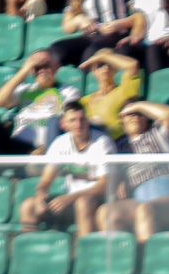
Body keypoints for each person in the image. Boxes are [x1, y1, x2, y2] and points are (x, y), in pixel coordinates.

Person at [103, 98, 169, 243]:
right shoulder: (118, 147)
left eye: (139, 113)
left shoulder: (158, 134)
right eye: (130, 114)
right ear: (122, 119)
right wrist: (121, 181)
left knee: (145, 210)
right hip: (140, 198)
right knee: (106, 212)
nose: (135, 117)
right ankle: (120, 262)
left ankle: (146, 261)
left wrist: (138, 105)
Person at [23, 100, 114, 236]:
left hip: (96, 199)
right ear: (64, 124)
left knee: (83, 203)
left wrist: (71, 198)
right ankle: (30, 251)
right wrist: (40, 195)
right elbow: (46, 179)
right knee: (28, 206)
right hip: (70, 199)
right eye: (73, 120)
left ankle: (84, 252)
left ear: (87, 121)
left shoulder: (102, 142)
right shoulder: (60, 143)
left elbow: (105, 184)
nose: (78, 125)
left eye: (82, 119)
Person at [0, 49, 80, 156]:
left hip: (44, 148)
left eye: (46, 65)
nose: (42, 70)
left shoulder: (68, 92)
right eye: (37, 67)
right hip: (18, 146)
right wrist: (25, 69)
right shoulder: (25, 90)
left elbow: (71, 120)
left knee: (53, 123)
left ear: (56, 66)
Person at [79, 48, 143, 139]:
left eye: (110, 63)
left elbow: (132, 65)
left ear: (116, 68)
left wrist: (103, 57)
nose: (106, 67)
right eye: (101, 64)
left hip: (118, 143)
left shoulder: (125, 90)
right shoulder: (84, 101)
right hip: (93, 145)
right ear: (93, 70)